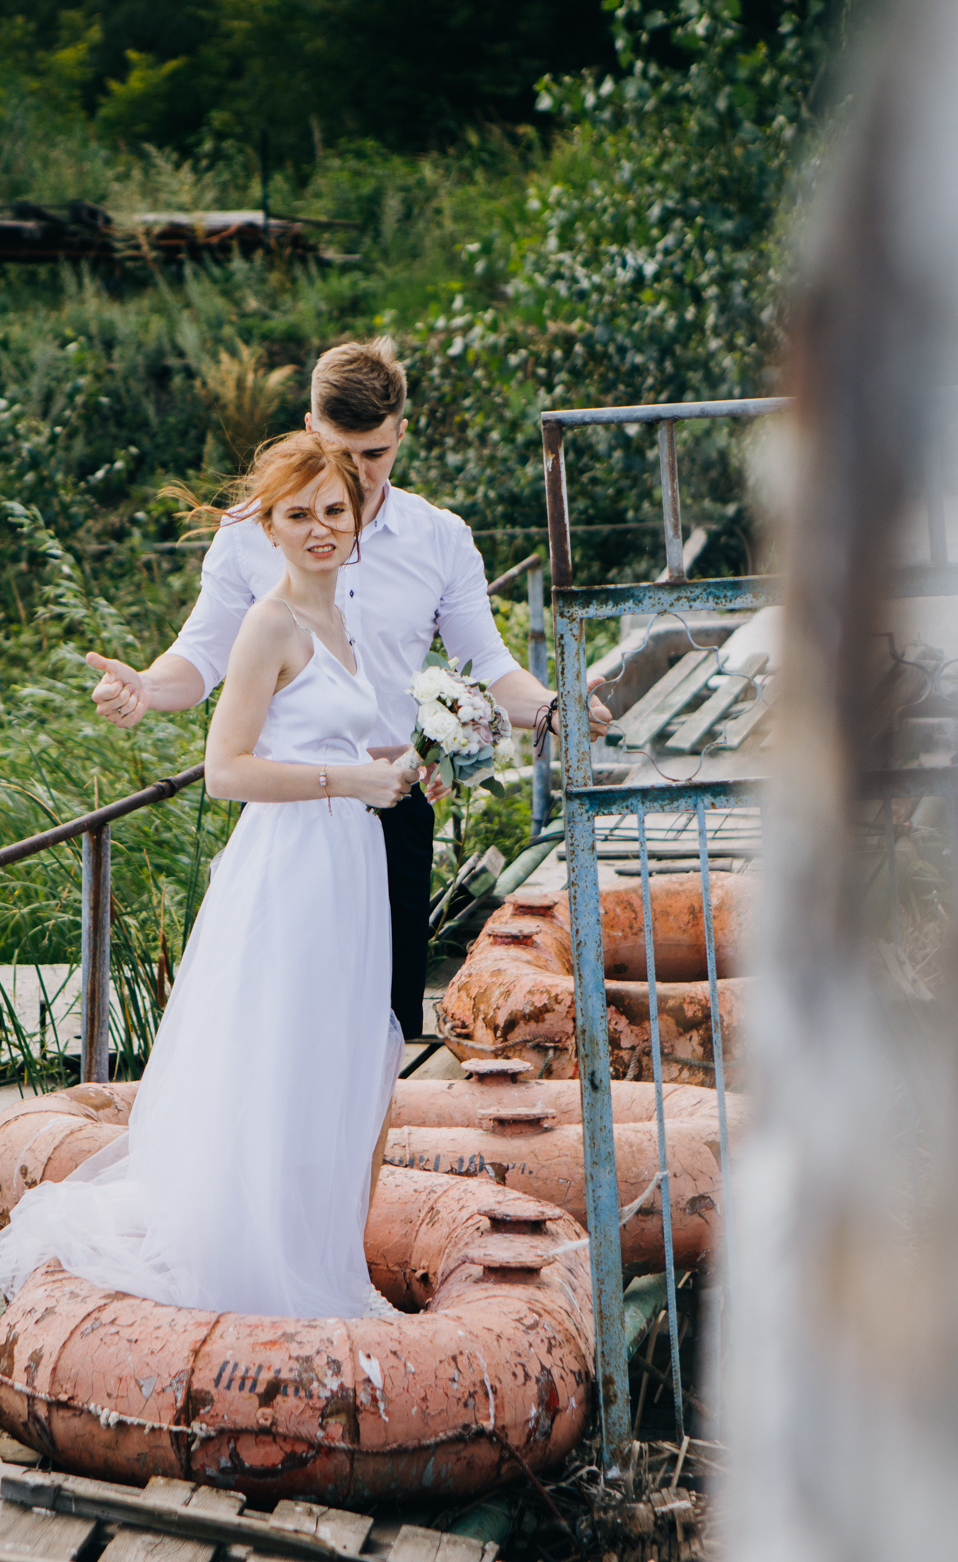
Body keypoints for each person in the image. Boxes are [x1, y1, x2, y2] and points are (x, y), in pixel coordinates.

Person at [0, 433, 421, 1320]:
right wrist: (353, 782)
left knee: (341, 1062)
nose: (321, 529)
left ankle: (322, 1261)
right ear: (273, 529)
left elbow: (329, 735)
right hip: (292, 864)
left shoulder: (349, 619)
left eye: (335, 510)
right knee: (285, 1059)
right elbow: (227, 768)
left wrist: (401, 760)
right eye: (299, 516)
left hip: (351, 867)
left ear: (357, 517)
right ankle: (259, 1274)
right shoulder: (271, 622)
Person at [84, 337, 610, 1040]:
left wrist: (553, 710)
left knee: (384, 1033)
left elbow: (485, 664)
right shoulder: (251, 533)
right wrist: (145, 687)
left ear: (401, 433)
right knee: (284, 1030)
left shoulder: (439, 538)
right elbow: (200, 656)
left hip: (395, 811)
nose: (360, 476)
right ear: (310, 428)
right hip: (291, 813)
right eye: (342, 452)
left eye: (376, 455)